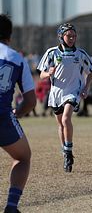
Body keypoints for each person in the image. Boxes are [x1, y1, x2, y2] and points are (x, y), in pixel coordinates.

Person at [37, 23, 92, 172]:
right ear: (61, 37)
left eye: (74, 36)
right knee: (61, 125)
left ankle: (69, 152)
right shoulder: (52, 53)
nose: (71, 38)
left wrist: (86, 88)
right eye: (68, 36)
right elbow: (41, 74)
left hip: (73, 91)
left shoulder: (80, 54)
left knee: (65, 119)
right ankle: (65, 153)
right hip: (56, 93)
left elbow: (91, 72)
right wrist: (48, 73)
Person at [0, 14, 36, 213]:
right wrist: (17, 113)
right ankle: (11, 207)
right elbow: (30, 101)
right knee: (23, 157)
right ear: (9, 36)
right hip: (2, 118)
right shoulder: (15, 57)